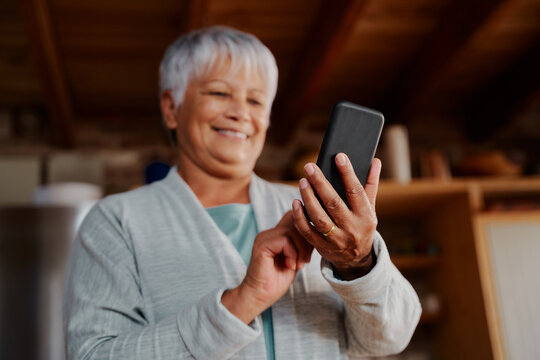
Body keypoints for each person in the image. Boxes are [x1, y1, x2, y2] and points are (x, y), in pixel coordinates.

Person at [63, 26, 421, 360]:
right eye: (219, 93)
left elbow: (388, 337)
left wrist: (358, 264)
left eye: (255, 101)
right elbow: (93, 354)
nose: (240, 113)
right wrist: (242, 301)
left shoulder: (314, 210)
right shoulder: (117, 221)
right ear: (172, 109)